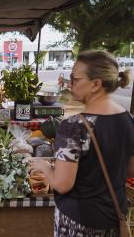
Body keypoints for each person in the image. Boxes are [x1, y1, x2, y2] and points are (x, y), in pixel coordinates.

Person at [29, 50, 134, 236]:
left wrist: (44, 166)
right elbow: (130, 170)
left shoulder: (73, 126)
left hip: (79, 221)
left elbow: (62, 184)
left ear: (95, 84)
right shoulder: (127, 119)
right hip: (114, 216)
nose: (70, 84)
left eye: (75, 78)